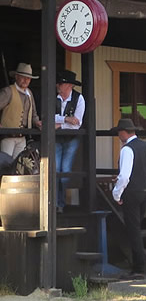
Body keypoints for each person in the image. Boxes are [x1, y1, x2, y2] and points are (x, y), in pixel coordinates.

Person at [111, 118, 146, 280]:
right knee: (136, 228)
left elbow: (124, 176)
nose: (118, 135)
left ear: (123, 132)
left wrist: (116, 194)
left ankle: (138, 268)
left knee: (133, 230)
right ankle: (139, 264)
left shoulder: (127, 150)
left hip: (132, 193)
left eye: (118, 132)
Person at [55, 70, 85, 213]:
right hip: (55, 139)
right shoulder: (53, 97)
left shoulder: (79, 99)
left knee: (65, 172)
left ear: (69, 85)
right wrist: (66, 119)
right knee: (55, 171)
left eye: (60, 83)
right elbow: (47, 116)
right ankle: (57, 204)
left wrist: (59, 124)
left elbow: (77, 123)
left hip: (71, 139)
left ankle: (60, 203)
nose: (57, 86)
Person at [0, 63, 42, 159]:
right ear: (16, 76)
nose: (26, 80)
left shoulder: (29, 93)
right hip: (8, 137)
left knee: (19, 167)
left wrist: (37, 122)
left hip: (22, 137)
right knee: (6, 165)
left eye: (28, 78)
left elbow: (34, 114)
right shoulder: (8, 91)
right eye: (23, 77)